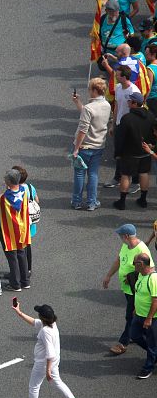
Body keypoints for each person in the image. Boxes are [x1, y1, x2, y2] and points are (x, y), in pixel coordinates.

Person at [12, 302, 86, 398]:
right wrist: (19, 313)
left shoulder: (45, 332)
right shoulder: (51, 325)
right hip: (55, 361)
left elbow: (50, 353)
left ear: (43, 318)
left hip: (44, 363)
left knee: (34, 386)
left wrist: (47, 370)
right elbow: (34, 322)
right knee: (58, 382)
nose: (38, 317)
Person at [103, 223, 153, 355]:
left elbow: (150, 270)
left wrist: (133, 277)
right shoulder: (126, 245)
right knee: (134, 316)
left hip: (136, 290)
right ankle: (139, 333)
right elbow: (119, 260)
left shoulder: (142, 250)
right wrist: (108, 275)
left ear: (126, 236)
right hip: (127, 289)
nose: (120, 238)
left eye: (120, 235)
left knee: (130, 315)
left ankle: (123, 343)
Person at [71, 77, 111, 210]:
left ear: (94, 90)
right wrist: (78, 103)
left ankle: (76, 201)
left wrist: (76, 148)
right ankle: (91, 202)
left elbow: (83, 129)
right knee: (93, 174)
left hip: (84, 146)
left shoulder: (89, 108)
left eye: (89, 89)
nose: (88, 91)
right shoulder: (107, 105)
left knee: (79, 174)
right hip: (98, 145)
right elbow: (89, 116)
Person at [113, 91, 154, 209]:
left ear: (135, 103)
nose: (128, 102)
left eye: (130, 101)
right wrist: (151, 146)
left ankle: (122, 202)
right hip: (145, 151)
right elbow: (153, 133)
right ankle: (143, 199)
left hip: (129, 153)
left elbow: (119, 138)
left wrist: (118, 153)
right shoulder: (150, 115)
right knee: (144, 173)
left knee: (125, 175)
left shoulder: (127, 118)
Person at [0, 170, 31, 292]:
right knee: (22, 255)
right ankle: (25, 281)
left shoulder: (5, 198)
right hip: (22, 230)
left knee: (12, 258)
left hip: (9, 232)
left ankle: (15, 284)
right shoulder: (24, 191)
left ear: (9, 181)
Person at [129, 253, 157, 378]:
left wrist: (149, 318)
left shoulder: (153, 279)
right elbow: (139, 293)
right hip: (139, 314)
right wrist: (136, 308)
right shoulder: (141, 274)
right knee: (134, 335)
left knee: (152, 343)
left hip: (151, 318)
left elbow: (155, 300)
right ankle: (155, 355)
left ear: (141, 264)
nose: (133, 265)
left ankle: (148, 367)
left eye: (134, 263)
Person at [13, 166, 38, 275]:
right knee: (28, 246)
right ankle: (28, 269)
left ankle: (21, 271)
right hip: (31, 221)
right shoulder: (30, 186)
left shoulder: (17, 190)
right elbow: (37, 200)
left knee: (20, 249)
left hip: (22, 222)